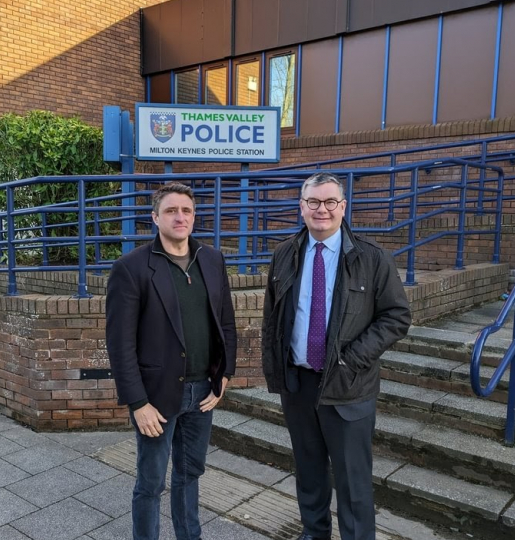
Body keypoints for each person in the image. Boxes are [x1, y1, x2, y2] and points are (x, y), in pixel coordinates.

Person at [261, 172, 411, 540]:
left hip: (348, 386)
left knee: (353, 481)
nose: (321, 209)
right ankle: (314, 533)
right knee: (309, 471)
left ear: (343, 208)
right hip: (298, 384)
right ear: (301, 207)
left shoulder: (372, 259)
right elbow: (272, 318)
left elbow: (396, 317)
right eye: (313, 202)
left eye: (330, 202)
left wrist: (353, 359)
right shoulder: (284, 254)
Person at [106, 182, 237, 540]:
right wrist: (138, 402)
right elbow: (119, 344)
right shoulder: (131, 268)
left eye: (187, 211)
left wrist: (225, 372)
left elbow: (225, 320)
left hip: (203, 392)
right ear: (155, 217)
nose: (180, 217)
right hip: (157, 397)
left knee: (189, 475)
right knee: (150, 483)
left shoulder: (212, 259)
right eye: (171, 211)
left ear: (194, 217)